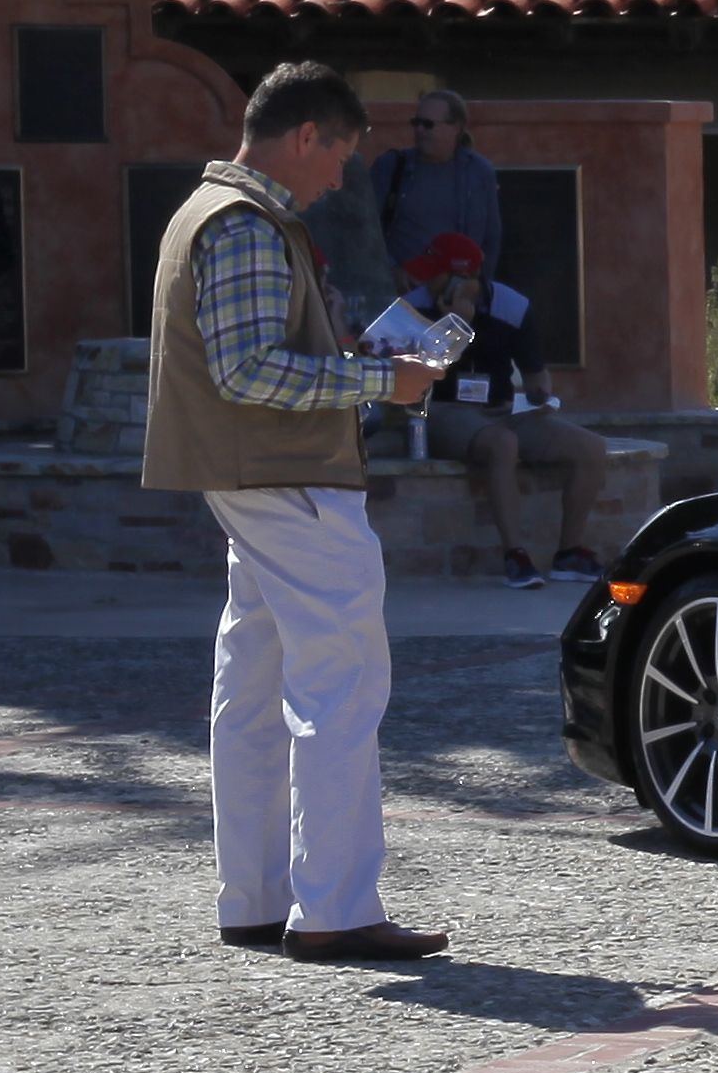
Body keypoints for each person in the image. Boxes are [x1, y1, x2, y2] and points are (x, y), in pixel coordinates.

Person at [146, 62, 458, 965]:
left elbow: (246, 359)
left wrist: (347, 355)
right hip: (288, 480)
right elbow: (248, 372)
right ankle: (335, 907)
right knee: (342, 685)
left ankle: (255, 897)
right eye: (340, 156)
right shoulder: (244, 222)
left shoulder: (205, 212)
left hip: (248, 478)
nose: (338, 179)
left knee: (250, 689)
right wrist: (382, 380)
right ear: (305, 134)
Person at [400, 232, 618, 587]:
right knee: (502, 444)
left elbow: (535, 373)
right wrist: (455, 324)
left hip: (500, 409)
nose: (425, 279)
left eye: (434, 272)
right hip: (442, 410)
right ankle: (515, 554)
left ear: (462, 279)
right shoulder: (414, 306)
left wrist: (541, 395)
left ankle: (569, 553)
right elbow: (415, 372)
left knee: (591, 447)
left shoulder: (512, 307)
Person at [368, 90, 504, 293]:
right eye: (417, 123)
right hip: (402, 293)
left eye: (428, 124)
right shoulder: (391, 167)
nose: (420, 130)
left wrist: (479, 288)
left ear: (455, 128)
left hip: (456, 292)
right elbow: (365, 229)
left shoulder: (479, 172)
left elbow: (491, 237)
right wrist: (391, 270)